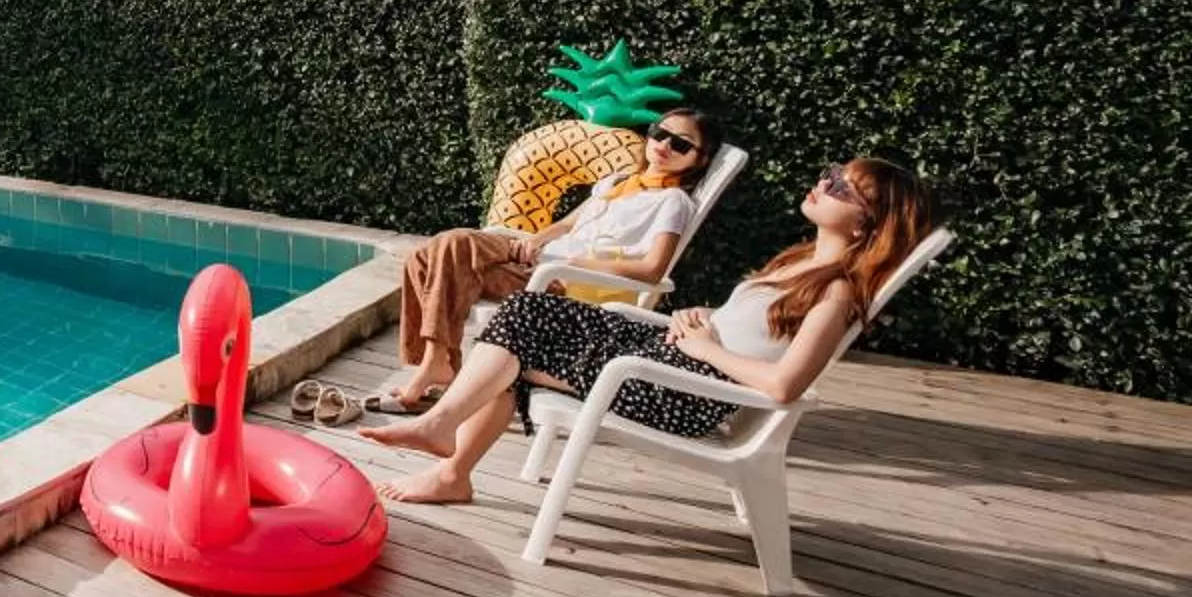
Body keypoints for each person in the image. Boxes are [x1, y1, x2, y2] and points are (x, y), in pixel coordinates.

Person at [360, 154, 937, 505]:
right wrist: (703, 320)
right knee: (524, 324)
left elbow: (786, 387)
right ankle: (450, 463)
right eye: (831, 174)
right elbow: (750, 329)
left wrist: (706, 346)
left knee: (522, 328)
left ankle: (444, 437)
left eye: (842, 187)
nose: (825, 182)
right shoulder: (798, 261)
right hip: (674, 358)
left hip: (683, 391)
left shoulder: (836, 293)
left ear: (868, 227)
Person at [366, 109, 720, 416]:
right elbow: (569, 224)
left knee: (449, 249)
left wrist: (580, 262)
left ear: (699, 159)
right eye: (661, 133)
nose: (664, 145)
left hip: (565, 283)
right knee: (425, 257)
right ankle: (437, 364)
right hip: (543, 260)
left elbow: (653, 270)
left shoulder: (672, 201)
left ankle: (433, 366)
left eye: (681, 144)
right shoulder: (619, 182)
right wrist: (534, 239)